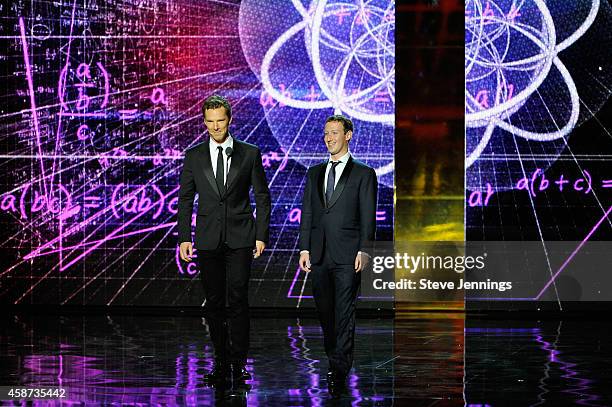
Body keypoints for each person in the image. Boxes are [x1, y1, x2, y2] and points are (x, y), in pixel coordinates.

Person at [177, 94, 271, 385]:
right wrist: (183, 238)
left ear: (229, 120)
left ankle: (239, 364)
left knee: (238, 299)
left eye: (220, 121)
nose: (215, 127)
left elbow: (262, 196)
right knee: (215, 303)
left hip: (242, 237)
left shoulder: (249, 153)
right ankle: (220, 363)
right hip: (207, 239)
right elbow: (185, 199)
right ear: (204, 122)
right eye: (210, 122)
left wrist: (260, 235)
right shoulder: (194, 155)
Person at [298, 114, 377, 396]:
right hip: (318, 254)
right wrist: (305, 247)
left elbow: (369, 217)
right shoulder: (314, 173)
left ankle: (338, 367)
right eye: (326, 133)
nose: (329, 138)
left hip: (347, 255)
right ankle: (335, 357)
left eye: (334, 133)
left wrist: (365, 250)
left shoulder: (364, 174)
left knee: (344, 313)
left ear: (348, 135)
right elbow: (308, 212)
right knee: (325, 312)